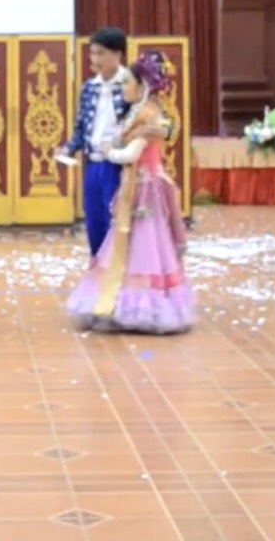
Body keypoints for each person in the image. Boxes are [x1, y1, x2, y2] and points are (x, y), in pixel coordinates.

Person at [64, 52, 193, 334]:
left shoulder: (148, 116)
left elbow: (132, 154)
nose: (124, 88)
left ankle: (141, 306)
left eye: (127, 83)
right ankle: (117, 302)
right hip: (133, 186)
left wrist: (110, 152)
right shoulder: (137, 112)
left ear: (141, 86)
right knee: (127, 244)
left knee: (143, 244)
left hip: (144, 192)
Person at [66, 27, 132, 258]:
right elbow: (81, 126)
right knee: (94, 220)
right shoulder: (89, 87)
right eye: (92, 53)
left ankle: (118, 268)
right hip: (93, 162)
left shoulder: (130, 85)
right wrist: (69, 148)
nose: (94, 60)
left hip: (119, 164)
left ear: (118, 54)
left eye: (101, 53)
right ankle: (98, 267)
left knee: (117, 220)